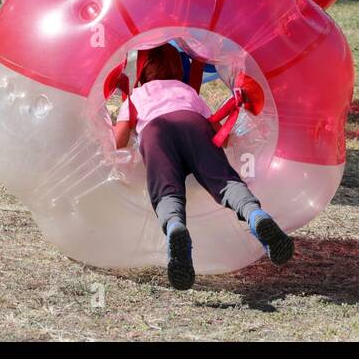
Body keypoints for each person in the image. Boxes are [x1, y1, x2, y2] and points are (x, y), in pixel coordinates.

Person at [113, 43, 293, 290]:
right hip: (194, 124)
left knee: (166, 190)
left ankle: (176, 227)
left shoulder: (137, 96)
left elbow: (119, 139)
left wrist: (122, 129)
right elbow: (220, 134)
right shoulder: (188, 92)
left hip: (156, 132)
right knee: (224, 181)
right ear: (179, 69)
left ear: (142, 72)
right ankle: (255, 215)